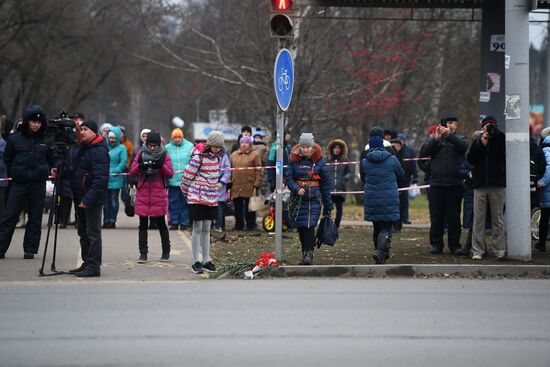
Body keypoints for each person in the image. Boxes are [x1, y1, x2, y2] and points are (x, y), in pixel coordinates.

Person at [0, 105, 54, 260]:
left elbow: (51, 160)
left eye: (39, 122)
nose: (36, 124)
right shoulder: (14, 139)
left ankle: (30, 249)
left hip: (38, 183)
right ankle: (1, 247)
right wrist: (17, 172)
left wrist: (51, 168)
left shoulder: (45, 139)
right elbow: (7, 159)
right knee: (9, 216)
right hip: (19, 183)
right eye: (33, 121)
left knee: (35, 218)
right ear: (27, 121)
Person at [65, 119, 110, 277]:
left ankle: (94, 266)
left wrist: (87, 199)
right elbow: (76, 171)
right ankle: (86, 261)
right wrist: (62, 173)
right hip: (80, 197)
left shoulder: (99, 150)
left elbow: (101, 180)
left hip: (91, 200)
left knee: (93, 233)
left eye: (85, 129)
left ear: (94, 131)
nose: (82, 132)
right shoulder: (84, 148)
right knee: (82, 232)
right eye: (81, 129)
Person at [420, 116, 469, 255]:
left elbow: (464, 147)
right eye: (448, 123)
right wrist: (435, 139)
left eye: (454, 123)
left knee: (454, 217)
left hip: (455, 185)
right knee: (437, 217)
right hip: (437, 184)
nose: (451, 125)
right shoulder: (436, 141)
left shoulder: (461, 139)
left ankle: (454, 245)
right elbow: (424, 152)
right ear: (442, 125)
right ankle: (436, 244)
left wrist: (449, 136)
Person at [180, 131, 224, 274]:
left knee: (207, 228)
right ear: (210, 145)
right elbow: (188, 175)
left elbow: (216, 177)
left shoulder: (218, 159)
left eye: (220, 147)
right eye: (216, 146)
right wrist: (186, 190)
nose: (218, 149)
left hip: (210, 197)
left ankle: (206, 259)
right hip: (197, 196)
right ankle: (195, 261)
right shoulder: (198, 158)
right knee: (197, 228)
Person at [286, 133, 333, 265]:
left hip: (314, 197)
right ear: (300, 147)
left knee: (309, 225)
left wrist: (328, 203)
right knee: (301, 226)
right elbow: (289, 178)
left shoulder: (319, 161)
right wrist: (296, 188)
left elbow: (325, 182)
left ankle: (309, 253)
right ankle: (304, 252)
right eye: (303, 147)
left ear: (312, 147)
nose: (305, 149)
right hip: (298, 198)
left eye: (308, 147)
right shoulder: (293, 160)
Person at [129, 131, 174, 263]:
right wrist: (141, 166)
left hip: (158, 194)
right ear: (146, 144)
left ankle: (166, 252)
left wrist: (161, 166)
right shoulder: (140, 153)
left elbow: (170, 174)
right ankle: (143, 253)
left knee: (161, 224)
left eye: (155, 145)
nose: (152, 148)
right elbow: (131, 172)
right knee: (142, 225)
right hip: (143, 193)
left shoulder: (164, 154)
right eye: (150, 145)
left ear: (159, 144)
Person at [466, 116, 506, 260]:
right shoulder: (477, 141)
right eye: (486, 126)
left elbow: (503, 155)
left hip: (497, 184)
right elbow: (471, 159)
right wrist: (481, 144)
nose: (488, 129)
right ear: (482, 127)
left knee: (498, 219)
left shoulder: (501, 139)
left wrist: (495, 135)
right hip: (480, 185)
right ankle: (478, 251)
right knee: (478, 220)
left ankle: (499, 250)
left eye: (491, 126)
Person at [360, 136, 404, 264]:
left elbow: (363, 178)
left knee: (377, 226)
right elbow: (401, 175)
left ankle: (381, 253)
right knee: (386, 227)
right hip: (389, 197)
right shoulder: (392, 159)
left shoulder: (364, 162)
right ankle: (380, 251)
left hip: (372, 198)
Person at [230, 135, 263, 231]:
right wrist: (229, 181)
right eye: (242, 142)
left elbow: (259, 170)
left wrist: (257, 183)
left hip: (249, 185)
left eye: (246, 142)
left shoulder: (255, 154)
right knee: (237, 208)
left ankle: (250, 225)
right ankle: (239, 225)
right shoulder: (234, 155)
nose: (244, 144)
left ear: (250, 144)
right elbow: (230, 170)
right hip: (236, 185)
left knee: (250, 208)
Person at [165, 128, 194, 230]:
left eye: (179, 137)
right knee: (173, 203)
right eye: (175, 137)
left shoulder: (190, 146)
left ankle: (184, 222)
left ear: (182, 137)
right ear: (172, 138)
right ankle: (174, 222)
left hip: (185, 181)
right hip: (172, 181)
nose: (177, 139)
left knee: (185, 203)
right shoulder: (167, 148)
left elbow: (193, 162)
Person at [103, 127, 127, 228]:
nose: (111, 139)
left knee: (113, 199)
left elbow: (123, 162)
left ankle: (112, 220)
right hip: (105, 177)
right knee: (105, 201)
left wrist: (115, 170)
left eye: (113, 137)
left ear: (117, 137)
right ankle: (106, 220)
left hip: (116, 177)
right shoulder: (104, 147)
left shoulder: (122, 148)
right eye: (110, 137)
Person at [326, 139, 351, 229]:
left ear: (341, 150)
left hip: (340, 188)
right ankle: (326, 226)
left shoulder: (345, 160)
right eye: (335, 148)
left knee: (339, 208)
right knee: (327, 208)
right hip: (329, 189)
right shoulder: (327, 160)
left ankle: (336, 227)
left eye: (339, 148)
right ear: (332, 149)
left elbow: (349, 172)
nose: (337, 149)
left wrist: (345, 178)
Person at [396, 133, 418, 225]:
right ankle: (397, 218)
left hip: (406, 178)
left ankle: (405, 218)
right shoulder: (394, 150)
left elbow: (413, 164)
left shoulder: (409, 151)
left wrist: (415, 176)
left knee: (404, 199)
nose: (400, 141)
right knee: (396, 200)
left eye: (401, 140)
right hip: (396, 178)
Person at [214, 146, 231, 232]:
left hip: (220, 184)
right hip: (209, 184)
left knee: (219, 206)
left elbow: (227, 171)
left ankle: (219, 225)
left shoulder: (224, 156)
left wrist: (222, 182)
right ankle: (210, 225)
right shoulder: (208, 155)